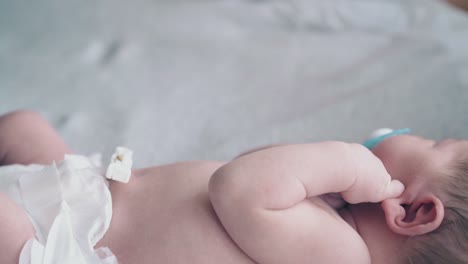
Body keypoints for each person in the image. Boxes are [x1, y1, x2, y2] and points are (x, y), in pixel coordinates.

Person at [0, 110, 467, 264]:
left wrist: (346, 162)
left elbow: (235, 184)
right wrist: (332, 183)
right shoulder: (331, 216)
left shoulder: (342, 255)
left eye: (433, 143)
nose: (409, 133)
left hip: (66, 245)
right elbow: (251, 163)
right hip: (90, 192)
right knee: (23, 126)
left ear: (412, 212)